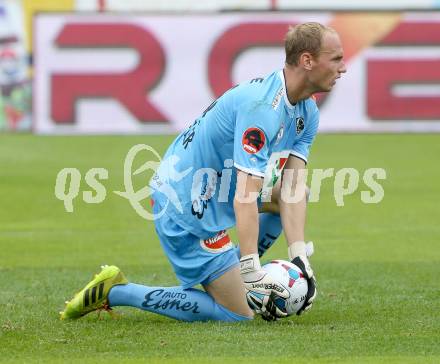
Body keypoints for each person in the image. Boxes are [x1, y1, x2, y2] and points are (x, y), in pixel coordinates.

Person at [60, 22, 346, 322]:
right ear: (307, 60)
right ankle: (116, 291)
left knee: (296, 195)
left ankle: (232, 273)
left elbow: (292, 188)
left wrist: (300, 257)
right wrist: (251, 269)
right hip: (184, 204)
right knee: (239, 315)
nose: (343, 67)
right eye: (336, 58)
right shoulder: (263, 109)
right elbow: (245, 196)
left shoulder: (307, 112)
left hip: (218, 192)